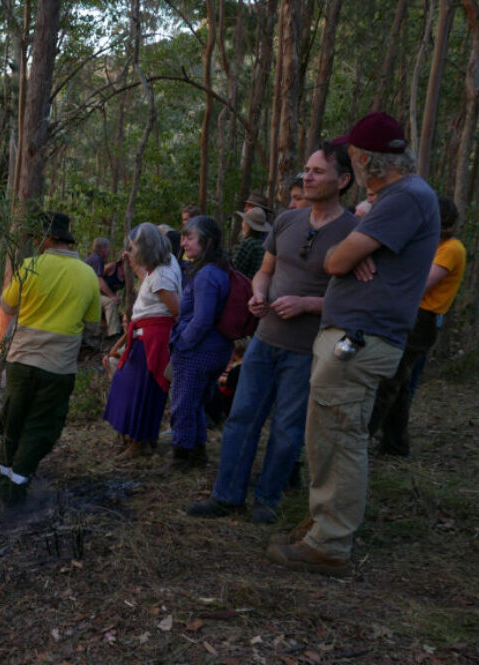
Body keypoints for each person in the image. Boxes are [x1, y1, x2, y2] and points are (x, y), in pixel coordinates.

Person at [266, 111, 439, 576]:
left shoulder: (405, 198)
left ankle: (330, 542)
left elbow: (335, 259)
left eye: (353, 157)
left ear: (364, 160)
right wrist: (360, 239)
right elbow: (344, 254)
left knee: (340, 440)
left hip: (361, 340)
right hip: (354, 336)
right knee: (327, 437)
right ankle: (323, 521)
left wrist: (352, 252)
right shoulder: (395, 198)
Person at [189, 144, 358, 525]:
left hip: (307, 347)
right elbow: (266, 270)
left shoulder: (354, 233)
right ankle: (226, 495)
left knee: (287, 427)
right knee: (242, 417)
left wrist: (306, 304)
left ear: (343, 180)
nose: (308, 177)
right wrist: (259, 292)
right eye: (306, 169)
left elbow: (355, 299)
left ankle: (266, 500)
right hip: (265, 340)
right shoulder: (285, 221)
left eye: (318, 171)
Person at [0, 211, 101, 508]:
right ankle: (17, 483)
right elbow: (92, 326)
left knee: (12, 420)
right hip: (58, 367)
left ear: (48, 239)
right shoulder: (88, 274)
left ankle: (3, 478)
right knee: (40, 425)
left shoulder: (30, 266)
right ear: (67, 240)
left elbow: (6, 305)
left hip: (21, 361)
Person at [368, 196, 467, 457]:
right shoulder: (429, 243)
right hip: (410, 314)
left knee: (388, 380)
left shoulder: (451, 249)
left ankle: (360, 439)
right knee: (399, 384)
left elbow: (421, 284)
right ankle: (395, 444)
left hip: (422, 319)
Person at [103, 223, 181, 458]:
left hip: (152, 342)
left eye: (135, 247)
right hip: (145, 338)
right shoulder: (165, 264)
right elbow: (148, 280)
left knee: (140, 391)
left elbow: (177, 312)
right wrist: (134, 265)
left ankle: (139, 442)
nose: (133, 250)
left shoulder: (162, 277)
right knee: (129, 387)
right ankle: (137, 438)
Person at [168, 216, 233, 470]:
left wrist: (183, 343)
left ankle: (183, 456)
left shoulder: (206, 274)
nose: (183, 243)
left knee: (183, 402)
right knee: (195, 402)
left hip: (199, 350)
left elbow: (203, 318)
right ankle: (196, 452)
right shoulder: (216, 269)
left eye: (189, 238)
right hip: (214, 348)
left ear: (207, 242)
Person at [85, 237, 124, 339]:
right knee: (110, 302)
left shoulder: (95, 258)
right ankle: (114, 333)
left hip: (89, 292)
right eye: (108, 248)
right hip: (86, 293)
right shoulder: (98, 260)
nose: (109, 250)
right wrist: (112, 296)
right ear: (103, 248)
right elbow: (99, 281)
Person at [232, 206, 269, 278]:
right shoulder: (265, 244)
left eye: (244, 221)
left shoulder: (248, 243)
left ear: (248, 225)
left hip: (246, 285)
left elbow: (236, 269)